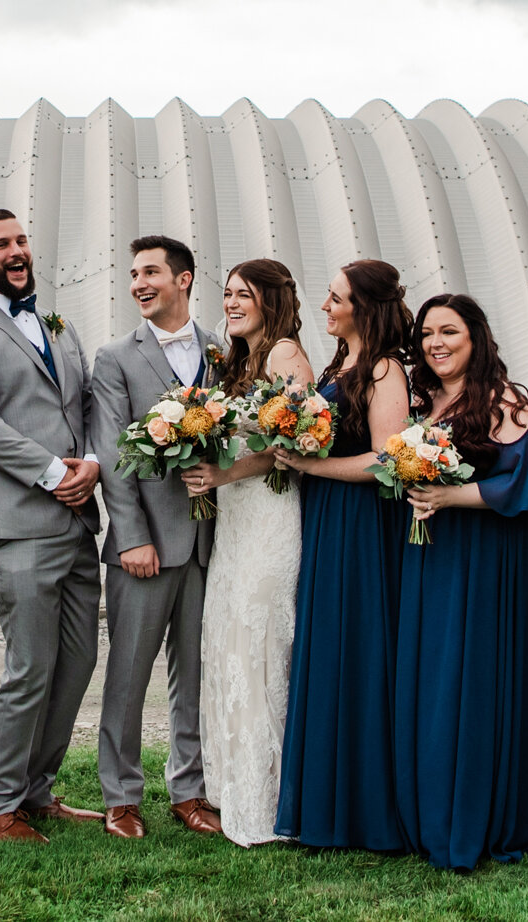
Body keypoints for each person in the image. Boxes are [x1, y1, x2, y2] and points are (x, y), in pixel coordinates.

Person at [0, 209, 105, 842]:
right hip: (15, 524)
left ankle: (38, 789)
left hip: (78, 519)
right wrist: (52, 474)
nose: (16, 250)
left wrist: (89, 463)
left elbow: (85, 403)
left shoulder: (58, 324)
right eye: (1, 244)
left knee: (79, 659)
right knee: (30, 664)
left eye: (21, 240)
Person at [396, 294, 528, 871]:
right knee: (433, 675)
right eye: (428, 333)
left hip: (483, 558)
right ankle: (428, 806)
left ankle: (474, 813)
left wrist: (448, 495)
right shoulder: (426, 398)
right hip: (431, 557)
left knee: (470, 676)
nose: (436, 343)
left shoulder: (501, 400)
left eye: (450, 333)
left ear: (476, 338)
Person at [273, 259, 415, 854]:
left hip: (364, 524)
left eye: (335, 299)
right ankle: (326, 801)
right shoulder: (340, 364)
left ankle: (365, 808)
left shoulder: (386, 371)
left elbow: (388, 458)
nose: (325, 307)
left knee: (359, 649)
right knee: (327, 648)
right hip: (329, 518)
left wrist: (311, 465)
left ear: (365, 307)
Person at [88, 237, 225, 839]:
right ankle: (120, 796)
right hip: (144, 546)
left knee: (194, 672)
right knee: (129, 674)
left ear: (184, 279)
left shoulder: (223, 352)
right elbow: (115, 453)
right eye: (133, 274)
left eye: (151, 273)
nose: (139, 283)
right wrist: (131, 538)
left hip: (209, 543)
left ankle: (188, 790)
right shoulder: (115, 356)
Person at [184, 258, 312, 847]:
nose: (231, 303)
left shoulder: (285, 354)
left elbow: (296, 443)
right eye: (228, 293)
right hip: (235, 521)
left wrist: (224, 472)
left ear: (271, 300)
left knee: (264, 646)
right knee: (231, 643)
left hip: (271, 515)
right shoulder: (233, 359)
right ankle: (235, 793)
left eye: (244, 295)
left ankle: (275, 801)